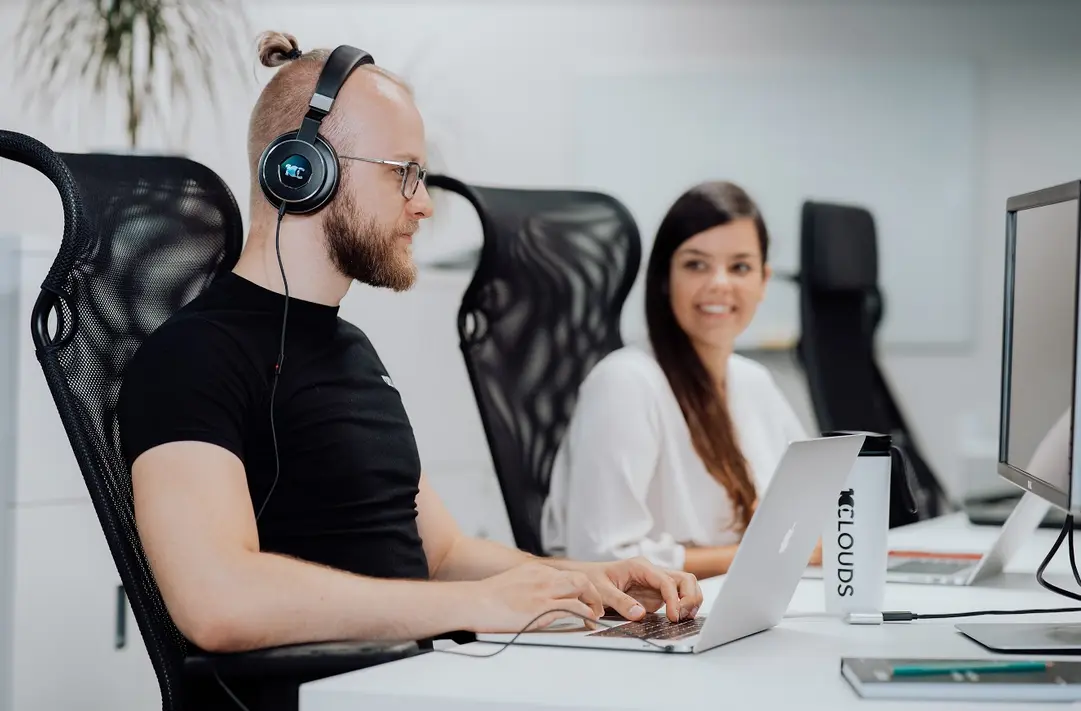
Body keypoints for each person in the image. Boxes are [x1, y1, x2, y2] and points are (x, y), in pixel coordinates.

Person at [115, 31, 702, 657]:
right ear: (301, 172)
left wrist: (587, 579)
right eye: (405, 174)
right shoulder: (191, 357)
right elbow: (217, 602)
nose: (422, 205)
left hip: (412, 684)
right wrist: (473, 606)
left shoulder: (351, 350)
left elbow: (443, 553)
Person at [541, 180, 814, 580]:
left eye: (740, 267)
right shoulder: (626, 382)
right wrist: (768, 555)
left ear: (763, 281)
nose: (720, 283)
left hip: (738, 601)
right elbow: (601, 556)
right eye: (696, 264)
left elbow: (809, 511)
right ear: (665, 278)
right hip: (642, 618)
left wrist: (794, 549)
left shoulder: (755, 383)